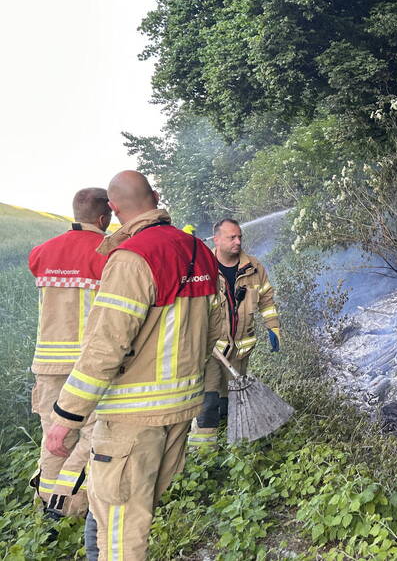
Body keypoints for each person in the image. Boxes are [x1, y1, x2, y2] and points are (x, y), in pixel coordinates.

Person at [44, 171, 225, 561]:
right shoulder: (199, 251)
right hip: (179, 410)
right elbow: (216, 330)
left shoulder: (131, 258)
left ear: (113, 209)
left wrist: (66, 416)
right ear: (155, 197)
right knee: (127, 516)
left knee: (122, 536)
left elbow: (105, 347)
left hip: (131, 421)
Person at [27, 188, 112, 520]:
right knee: (90, 434)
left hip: (48, 364)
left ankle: (46, 507)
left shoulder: (41, 253)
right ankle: (71, 508)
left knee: (54, 436)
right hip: (87, 363)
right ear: (103, 218)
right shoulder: (108, 254)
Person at [189, 218, 281, 448]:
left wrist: (273, 326)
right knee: (208, 401)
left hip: (240, 350)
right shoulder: (202, 268)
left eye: (239, 237)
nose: (238, 242)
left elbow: (267, 300)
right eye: (232, 237)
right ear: (217, 240)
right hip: (211, 349)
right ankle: (203, 453)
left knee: (231, 402)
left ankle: (233, 449)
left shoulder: (254, 267)